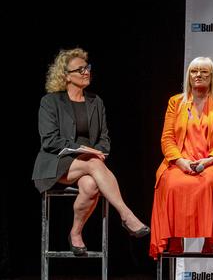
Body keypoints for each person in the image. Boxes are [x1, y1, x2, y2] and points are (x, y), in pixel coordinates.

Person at [33, 48, 150, 257]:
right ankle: (126, 214)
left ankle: (75, 232)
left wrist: (98, 151)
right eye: (80, 69)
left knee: (91, 184)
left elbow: (104, 138)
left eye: (87, 67)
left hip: (88, 163)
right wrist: (83, 149)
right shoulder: (50, 102)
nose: (86, 72)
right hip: (56, 162)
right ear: (66, 76)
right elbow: (50, 140)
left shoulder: (96, 102)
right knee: (94, 164)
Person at [149, 56, 213, 259]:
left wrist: (208, 161)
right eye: (194, 71)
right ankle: (175, 238)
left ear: (211, 76)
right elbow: (167, 139)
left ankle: (210, 240)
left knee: (210, 182)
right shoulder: (175, 102)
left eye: (204, 71)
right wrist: (180, 161)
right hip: (180, 162)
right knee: (171, 183)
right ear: (188, 76)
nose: (198, 75)